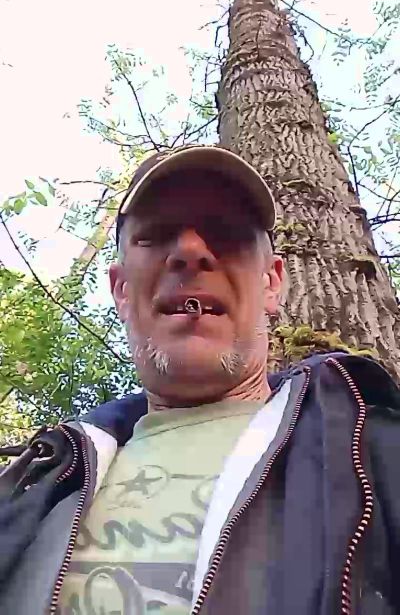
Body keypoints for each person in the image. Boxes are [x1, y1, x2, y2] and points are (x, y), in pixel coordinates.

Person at [1, 145, 400, 615]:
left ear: (272, 283)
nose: (190, 251)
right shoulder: (34, 485)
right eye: (156, 236)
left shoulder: (377, 451)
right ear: (121, 290)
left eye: (226, 233)